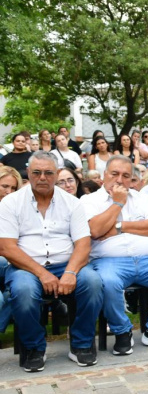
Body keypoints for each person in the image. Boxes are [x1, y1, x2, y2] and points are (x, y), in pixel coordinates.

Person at [0, 152, 102, 371]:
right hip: (26, 267)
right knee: (23, 290)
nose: (42, 177)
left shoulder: (72, 203)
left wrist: (70, 272)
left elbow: (83, 244)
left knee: (92, 282)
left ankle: (82, 344)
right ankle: (34, 347)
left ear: (56, 174)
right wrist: (42, 274)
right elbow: (6, 247)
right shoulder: (10, 203)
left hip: (66, 264)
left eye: (48, 173)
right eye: (36, 172)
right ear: (28, 173)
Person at [82, 155, 148, 354]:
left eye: (125, 176)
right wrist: (117, 204)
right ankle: (122, 331)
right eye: (115, 174)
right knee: (108, 283)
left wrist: (119, 227)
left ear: (131, 179)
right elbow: (95, 230)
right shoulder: (90, 201)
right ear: (104, 175)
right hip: (109, 261)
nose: (120, 180)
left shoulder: (142, 198)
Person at [0, 166, 24, 336]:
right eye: (4, 186)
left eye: (13, 188)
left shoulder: (16, 211)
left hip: (9, 263)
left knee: (15, 291)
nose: (9, 192)